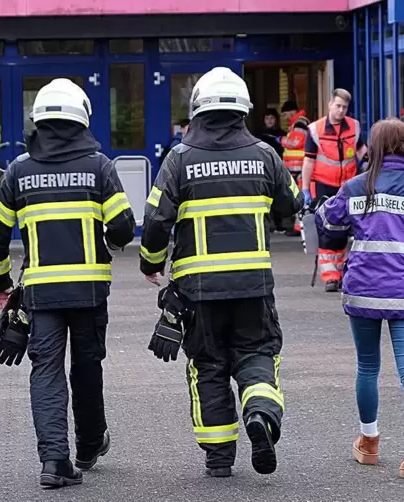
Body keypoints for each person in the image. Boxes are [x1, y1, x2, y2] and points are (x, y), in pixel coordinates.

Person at [139, 67, 303, 478]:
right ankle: (261, 415)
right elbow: (292, 203)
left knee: (208, 366)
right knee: (257, 353)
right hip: (253, 287)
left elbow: (157, 220)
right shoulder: (265, 154)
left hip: (199, 292)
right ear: (242, 110)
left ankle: (219, 457)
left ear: (197, 110)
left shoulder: (179, 159)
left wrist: (151, 262)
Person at [0, 78, 136, 489]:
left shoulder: (19, 171)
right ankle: (88, 446)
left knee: (45, 371)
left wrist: (0, 282)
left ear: (40, 122)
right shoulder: (99, 167)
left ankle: (54, 462)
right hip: (88, 293)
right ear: (82, 120)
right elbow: (122, 229)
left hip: (41, 295)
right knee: (87, 368)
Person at [314, 118, 404, 480]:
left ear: (374, 148)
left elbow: (329, 223)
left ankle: (369, 442)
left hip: (364, 291)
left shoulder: (358, 186)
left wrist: (320, 210)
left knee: (368, 367)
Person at [301, 88, 366, 292]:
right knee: (328, 230)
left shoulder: (353, 126)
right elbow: (308, 161)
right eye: (337, 106)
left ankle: (340, 273)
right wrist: (305, 189)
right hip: (324, 186)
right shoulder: (315, 130)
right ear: (330, 104)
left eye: (344, 107)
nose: (340, 110)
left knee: (346, 230)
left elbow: (362, 151)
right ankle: (330, 276)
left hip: (348, 186)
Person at [280, 100, 311, 237]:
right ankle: (298, 227)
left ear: (291, 111)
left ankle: (300, 228)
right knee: (297, 199)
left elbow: (296, 142)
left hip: (299, 169)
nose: (284, 117)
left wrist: (281, 140)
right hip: (296, 169)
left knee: (300, 200)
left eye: (285, 113)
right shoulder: (295, 124)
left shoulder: (300, 123)